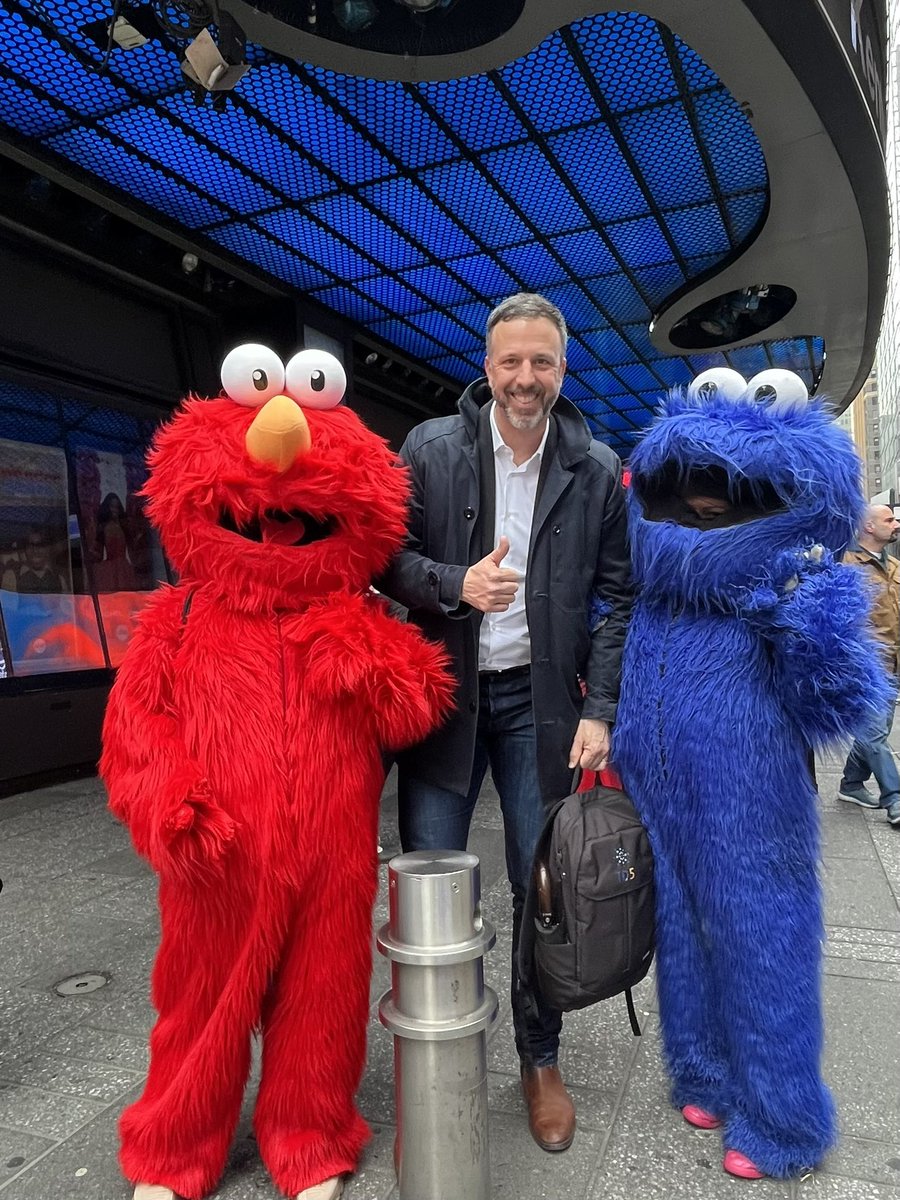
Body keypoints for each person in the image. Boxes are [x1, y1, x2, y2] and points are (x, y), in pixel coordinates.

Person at [615, 367, 890, 1181]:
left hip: (749, 795)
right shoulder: (658, 581)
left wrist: (807, 609)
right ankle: (701, 1071)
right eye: (692, 491)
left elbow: (841, 704)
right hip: (657, 781)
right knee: (681, 932)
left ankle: (783, 1118)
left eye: (725, 495)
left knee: (760, 937)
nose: (705, 505)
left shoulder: (791, 576)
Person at [379, 292, 632, 1153]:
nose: (526, 379)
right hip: (446, 694)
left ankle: (539, 1057)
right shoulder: (431, 448)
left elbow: (621, 595)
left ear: (564, 369)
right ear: (485, 368)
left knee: (541, 891)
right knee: (432, 886)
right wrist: (456, 585)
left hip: (540, 703)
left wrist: (600, 709)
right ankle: (433, 1044)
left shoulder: (593, 466)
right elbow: (387, 558)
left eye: (543, 363)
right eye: (511, 361)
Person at [838, 503, 900, 826]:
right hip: (866, 665)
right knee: (875, 734)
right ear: (868, 527)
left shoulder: (895, 567)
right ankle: (895, 797)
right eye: (889, 519)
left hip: (894, 663)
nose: (896, 523)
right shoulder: (846, 564)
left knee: (876, 730)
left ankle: (851, 782)